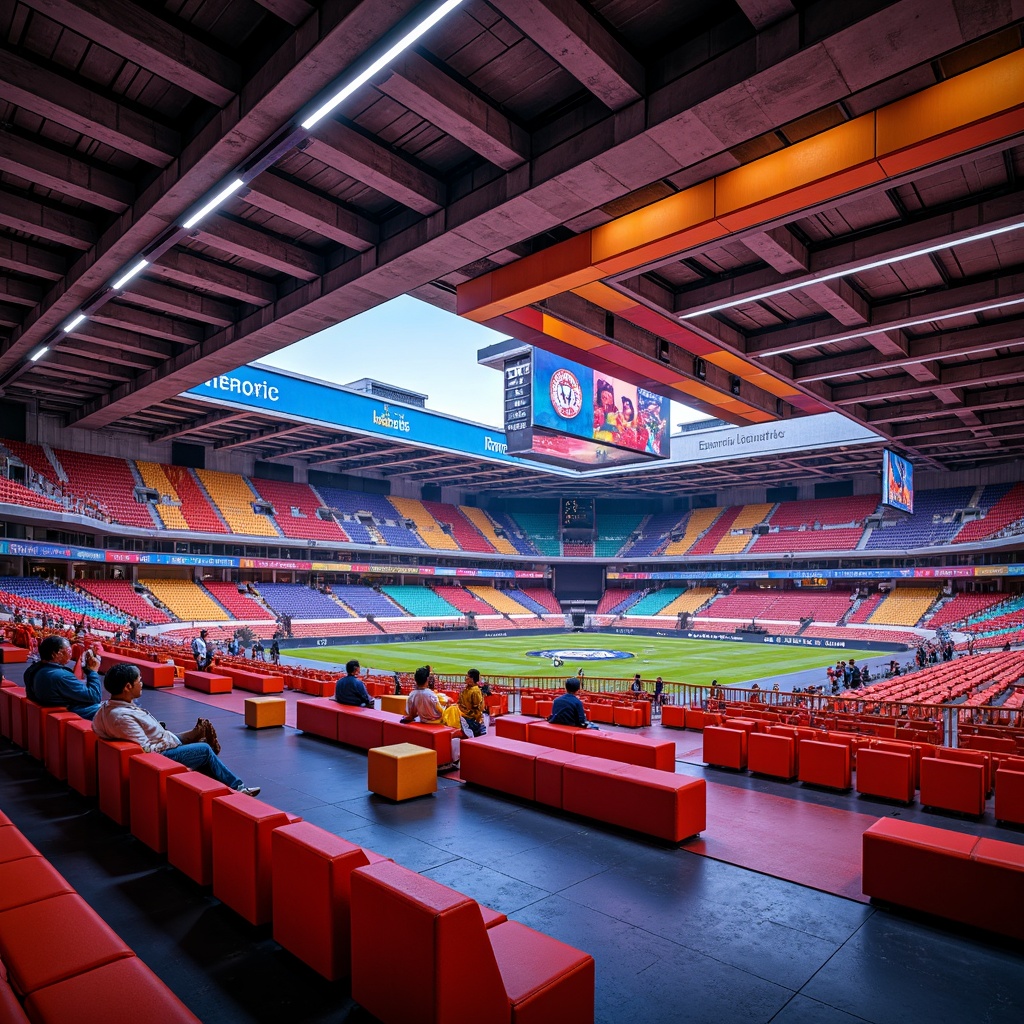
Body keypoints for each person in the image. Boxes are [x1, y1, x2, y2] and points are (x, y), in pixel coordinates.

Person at [92, 663, 259, 796]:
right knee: (204, 750)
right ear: (128, 687)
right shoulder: (122, 718)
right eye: (139, 680)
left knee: (198, 745)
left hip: (161, 741)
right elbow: (147, 750)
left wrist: (187, 736)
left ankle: (220, 789)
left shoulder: (106, 708)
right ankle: (237, 788)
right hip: (158, 757)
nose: (141, 684)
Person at [24, 635, 103, 719]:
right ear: (55, 654)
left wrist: (87, 670)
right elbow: (95, 697)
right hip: (67, 713)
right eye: (68, 651)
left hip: (48, 712)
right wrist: (93, 672)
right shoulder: (60, 676)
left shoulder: (32, 670)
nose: (70, 654)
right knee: (109, 708)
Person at [458, 669, 487, 737]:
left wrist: (477, 720)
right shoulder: (467, 689)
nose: (466, 678)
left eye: (467, 677)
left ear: (471, 679)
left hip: (472, 720)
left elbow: (478, 709)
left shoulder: (475, 691)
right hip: (466, 717)